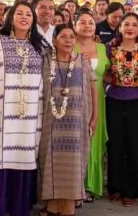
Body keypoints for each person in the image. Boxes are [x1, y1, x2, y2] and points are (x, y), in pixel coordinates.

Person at [0, 1, 50, 216]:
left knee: (26, 154)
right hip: (1, 110)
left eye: (28, 14)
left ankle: (20, 205)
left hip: (31, 114)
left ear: (33, 20)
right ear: (10, 18)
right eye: (18, 13)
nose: (24, 17)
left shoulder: (42, 47)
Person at [39, 24, 97, 216]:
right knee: (50, 164)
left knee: (73, 167)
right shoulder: (45, 61)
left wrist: (94, 118)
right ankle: (53, 206)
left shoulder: (82, 61)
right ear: (54, 41)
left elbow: (93, 89)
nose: (68, 40)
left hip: (76, 125)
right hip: (50, 124)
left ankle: (68, 209)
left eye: (72, 36)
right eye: (63, 36)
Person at [104, 13, 138, 206]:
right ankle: (115, 187)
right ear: (120, 27)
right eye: (126, 24)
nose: (130, 28)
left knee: (136, 147)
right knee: (115, 147)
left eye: (134, 24)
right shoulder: (110, 49)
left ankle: (131, 191)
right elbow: (104, 73)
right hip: (114, 102)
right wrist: (116, 80)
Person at [73, 10, 110, 201]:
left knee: (94, 142)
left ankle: (89, 186)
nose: (87, 26)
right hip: (75, 101)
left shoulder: (103, 48)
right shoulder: (70, 47)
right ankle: (74, 187)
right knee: (77, 143)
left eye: (91, 23)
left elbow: (109, 74)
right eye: (82, 22)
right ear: (75, 26)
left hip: (99, 101)